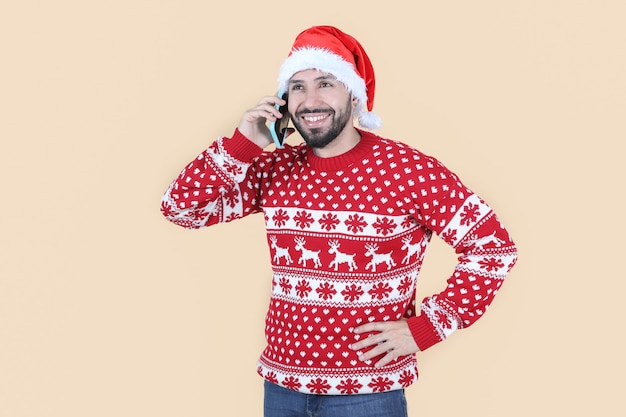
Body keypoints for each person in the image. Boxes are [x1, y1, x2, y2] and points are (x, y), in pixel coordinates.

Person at [160, 25, 517, 417]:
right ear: (283, 100)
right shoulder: (275, 168)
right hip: (283, 386)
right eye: (297, 87)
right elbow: (181, 208)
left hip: (368, 394)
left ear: (353, 92)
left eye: (325, 83)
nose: (310, 100)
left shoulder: (408, 171)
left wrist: (426, 328)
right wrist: (243, 143)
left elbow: (493, 249)